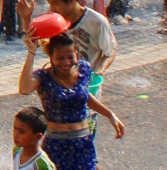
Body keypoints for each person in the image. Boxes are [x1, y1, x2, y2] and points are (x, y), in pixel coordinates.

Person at [14, 30, 124, 170]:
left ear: (77, 55)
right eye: (60, 58)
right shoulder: (44, 77)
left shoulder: (83, 70)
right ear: (51, 58)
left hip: (82, 143)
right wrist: (31, 53)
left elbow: (83, 97)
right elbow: (24, 89)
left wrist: (110, 115)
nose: (66, 62)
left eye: (70, 57)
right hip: (56, 145)